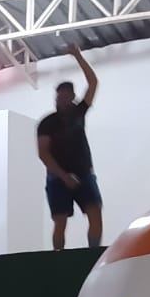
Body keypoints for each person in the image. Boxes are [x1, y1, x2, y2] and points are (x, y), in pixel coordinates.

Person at [37, 43, 102, 251]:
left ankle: (93, 255)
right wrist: (64, 177)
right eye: (59, 96)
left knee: (95, 213)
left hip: (83, 173)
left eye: (66, 96)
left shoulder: (78, 113)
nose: (62, 99)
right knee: (60, 220)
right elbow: (43, 154)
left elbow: (93, 83)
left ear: (72, 98)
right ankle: (59, 257)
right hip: (57, 177)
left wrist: (78, 56)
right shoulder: (47, 123)